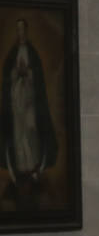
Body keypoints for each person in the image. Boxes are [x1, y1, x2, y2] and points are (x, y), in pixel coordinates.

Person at [1, 18, 58, 192]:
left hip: (30, 102)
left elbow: (38, 78)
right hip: (16, 104)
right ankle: (20, 170)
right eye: (18, 31)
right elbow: (7, 78)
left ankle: (33, 167)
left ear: (27, 32)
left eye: (23, 30)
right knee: (19, 136)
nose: (21, 34)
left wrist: (28, 73)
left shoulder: (32, 53)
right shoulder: (12, 54)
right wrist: (16, 73)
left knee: (31, 133)